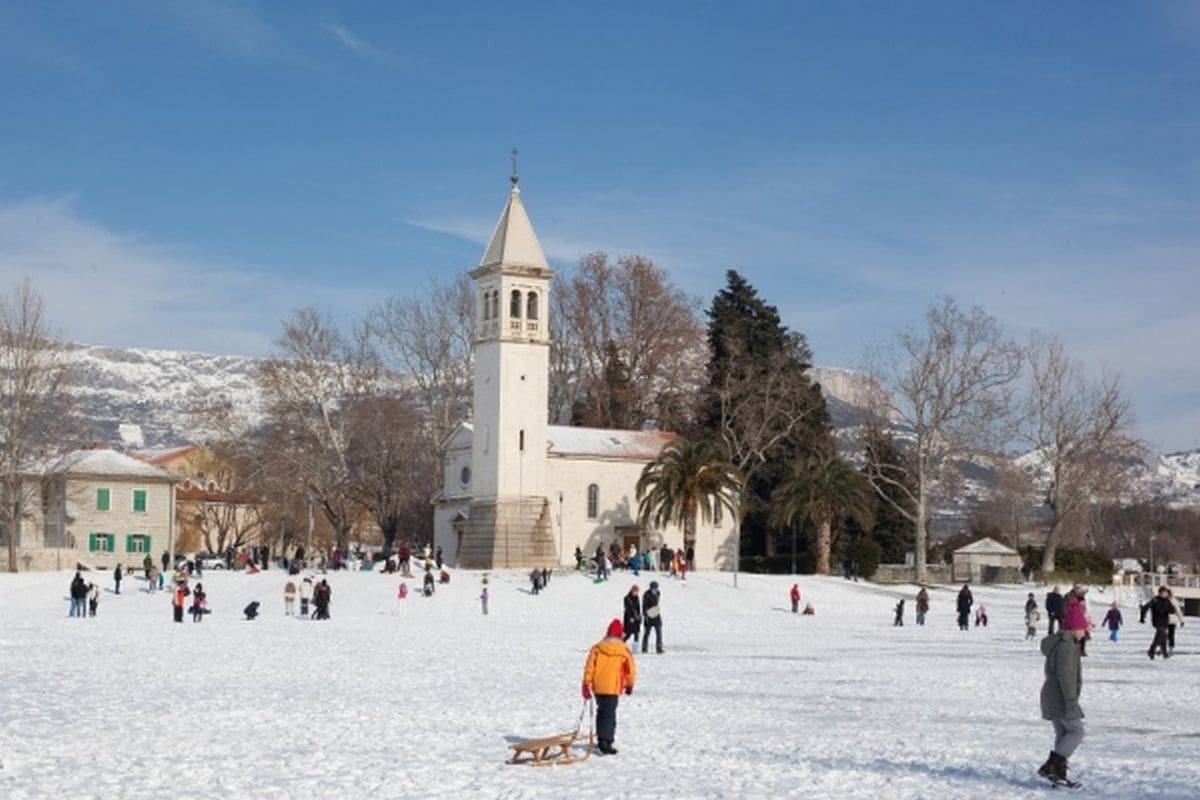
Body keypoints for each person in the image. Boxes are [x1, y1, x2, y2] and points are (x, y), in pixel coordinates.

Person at [1037, 613, 1088, 787]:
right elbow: (1065, 675)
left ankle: (1058, 776)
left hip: (1052, 694)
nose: (1085, 631)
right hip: (1061, 696)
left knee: (1063, 733)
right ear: (1074, 628)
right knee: (1076, 731)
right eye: (1083, 627)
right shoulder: (1067, 646)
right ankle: (1051, 767)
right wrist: (1070, 699)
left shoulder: (1062, 642)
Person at [581, 618, 637, 756]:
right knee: (609, 714)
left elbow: (589, 667)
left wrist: (586, 683)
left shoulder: (597, 648)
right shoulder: (623, 650)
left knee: (602, 711)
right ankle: (606, 742)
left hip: (598, 686)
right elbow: (631, 670)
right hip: (613, 686)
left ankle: (602, 738)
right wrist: (629, 684)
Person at [1141, 586, 1173, 660]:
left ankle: (1152, 651)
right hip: (1157, 621)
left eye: (1166, 593)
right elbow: (1145, 607)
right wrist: (1142, 617)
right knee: (1163, 635)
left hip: (1165, 621)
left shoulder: (1167, 601)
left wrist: (1171, 610)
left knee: (1159, 637)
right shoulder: (1155, 600)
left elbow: (1172, 610)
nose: (1165, 595)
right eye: (1164, 593)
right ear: (1160, 593)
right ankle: (1164, 653)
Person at [642, 581, 663, 654]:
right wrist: (646, 615)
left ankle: (659, 648)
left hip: (656, 615)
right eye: (653, 588)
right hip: (649, 616)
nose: (655, 589)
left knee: (659, 632)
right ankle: (644, 648)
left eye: (656, 588)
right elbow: (644, 606)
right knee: (647, 633)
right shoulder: (646, 594)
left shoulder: (658, 593)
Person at [1166, 589, 1184, 655]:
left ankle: (1171, 648)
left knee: (1171, 635)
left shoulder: (1174, 601)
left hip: (1171, 620)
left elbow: (1178, 611)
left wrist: (1181, 620)